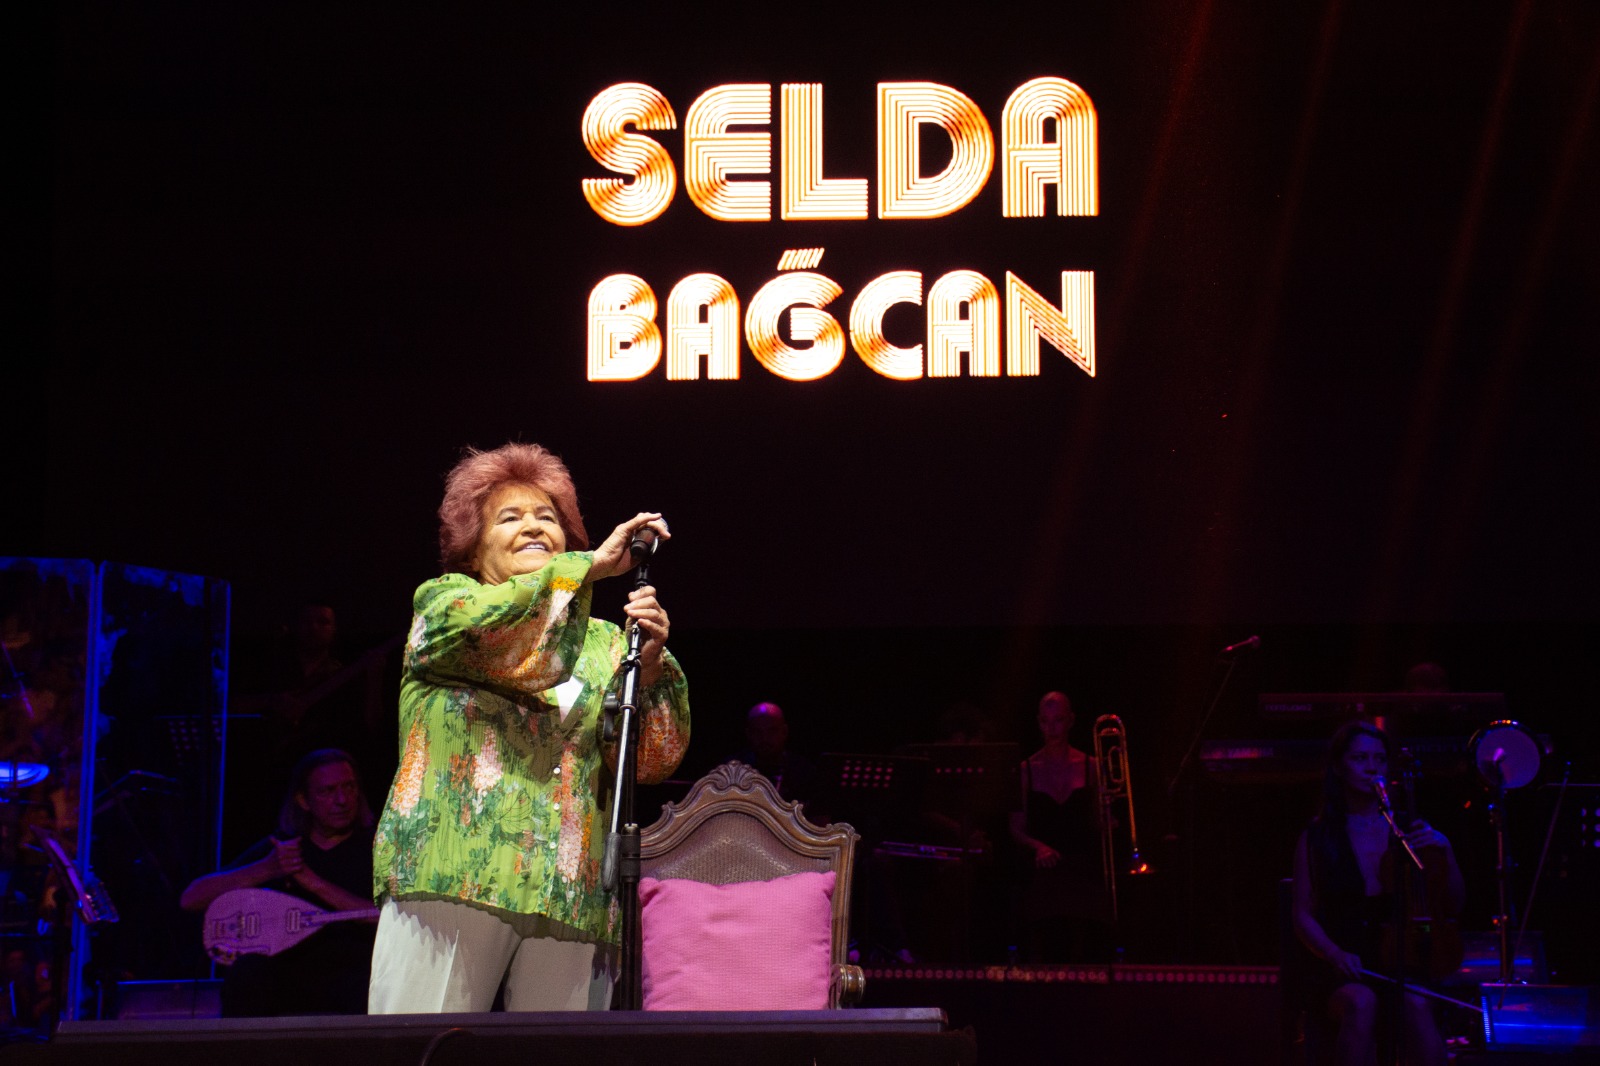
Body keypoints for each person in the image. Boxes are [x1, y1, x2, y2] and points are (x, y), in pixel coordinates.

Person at [368, 443, 690, 1013]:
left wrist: (648, 670)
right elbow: (502, 633)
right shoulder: (445, 606)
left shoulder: (606, 644)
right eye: (510, 517)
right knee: (423, 1047)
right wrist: (591, 567)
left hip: (573, 894)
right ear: (474, 546)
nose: (534, 527)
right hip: (453, 876)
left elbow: (648, 763)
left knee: (560, 1054)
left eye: (547, 517)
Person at [1291, 722, 1465, 1066]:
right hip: (1343, 962)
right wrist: (1334, 953)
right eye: (1360, 758)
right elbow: (1302, 913)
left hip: (1402, 957)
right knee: (1361, 1002)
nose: (1372, 768)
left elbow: (1454, 904)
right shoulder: (1317, 835)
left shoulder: (1408, 830)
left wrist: (1446, 850)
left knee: (1417, 1003)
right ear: (1339, 767)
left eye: (1380, 759)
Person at [179, 748, 377, 1016]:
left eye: (349, 787)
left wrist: (311, 882)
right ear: (303, 800)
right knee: (248, 973)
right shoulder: (284, 848)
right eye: (327, 791)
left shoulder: (378, 847)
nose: (342, 800)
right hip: (287, 980)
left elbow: (392, 917)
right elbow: (191, 899)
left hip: (353, 977)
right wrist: (266, 868)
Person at [1008, 691, 1106, 960]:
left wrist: (1108, 821)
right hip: (1043, 871)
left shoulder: (1091, 766)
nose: (1052, 728)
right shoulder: (1026, 770)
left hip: (1081, 869)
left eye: (1059, 720)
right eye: (1046, 721)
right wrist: (1038, 847)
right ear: (1039, 723)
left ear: (1071, 720)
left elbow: (1097, 822)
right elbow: (1015, 828)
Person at [729, 702, 822, 814]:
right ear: (748, 734)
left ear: (784, 732)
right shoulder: (731, 771)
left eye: (772, 731)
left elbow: (820, 818)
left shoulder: (804, 772)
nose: (764, 738)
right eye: (757, 732)